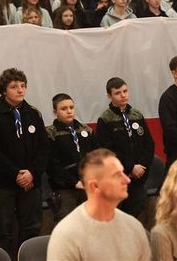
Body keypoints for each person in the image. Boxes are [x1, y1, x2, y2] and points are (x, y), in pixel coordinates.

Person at [0, 68, 49, 256]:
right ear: (4, 90)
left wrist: (32, 173)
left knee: (31, 229)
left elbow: (44, 147)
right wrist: (16, 174)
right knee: (3, 232)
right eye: (14, 86)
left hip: (31, 183)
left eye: (23, 86)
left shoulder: (33, 113)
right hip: (4, 185)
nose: (20, 90)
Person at [47, 148, 152, 261]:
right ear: (95, 186)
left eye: (123, 172)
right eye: (117, 175)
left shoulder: (134, 226)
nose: (127, 180)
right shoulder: (67, 234)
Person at [96, 77, 154, 218]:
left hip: (138, 176)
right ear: (109, 96)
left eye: (125, 91)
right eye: (118, 93)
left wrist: (141, 167)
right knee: (117, 216)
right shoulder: (105, 119)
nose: (123, 95)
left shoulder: (136, 115)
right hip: (118, 177)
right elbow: (107, 151)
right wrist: (130, 167)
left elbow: (149, 144)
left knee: (136, 212)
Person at [46, 93, 97, 223]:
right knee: (68, 226)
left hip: (87, 185)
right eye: (64, 109)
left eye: (71, 107)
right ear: (55, 112)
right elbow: (52, 164)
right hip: (65, 189)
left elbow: (96, 156)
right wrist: (73, 182)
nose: (69, 111)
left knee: (90, 224)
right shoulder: (51, 133)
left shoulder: (86, 130)